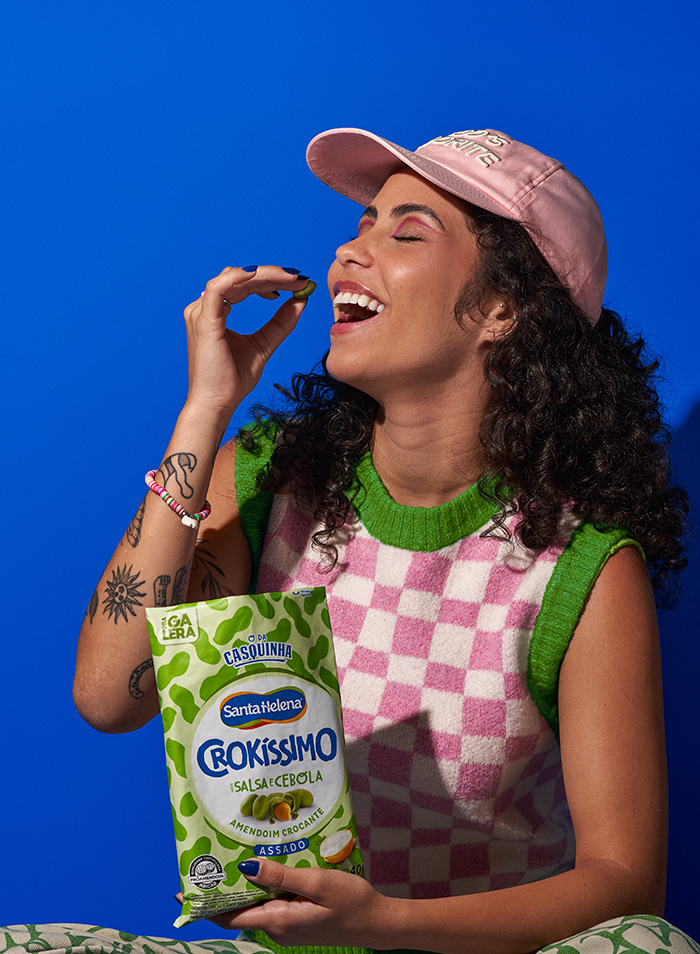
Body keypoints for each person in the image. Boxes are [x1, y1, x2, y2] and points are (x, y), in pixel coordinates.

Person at [5, 128, 697, 954]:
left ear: (504, 310)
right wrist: (206, 410)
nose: (349, 250)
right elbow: (109, 697)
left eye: (406, 233)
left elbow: (627, 886)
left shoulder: (582, 566)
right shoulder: (269, 476)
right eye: (363, 223)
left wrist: (385, 924)